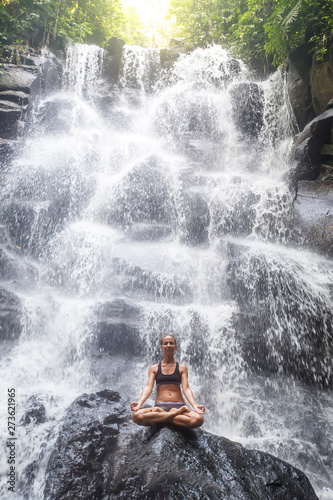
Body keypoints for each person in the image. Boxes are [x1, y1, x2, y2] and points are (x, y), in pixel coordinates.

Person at [131, 335, 205, 429]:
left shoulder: (182, 368)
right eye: (165, 343)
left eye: (171, 343)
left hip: (178, 406)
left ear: (175, 347)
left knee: (198, 419)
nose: (168, 345)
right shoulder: (154, 368)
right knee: (136, 416)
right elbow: (148, 387)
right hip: (160, 407)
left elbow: (186, 388)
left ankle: (162, 418)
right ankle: (174, 414)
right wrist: (139, 403)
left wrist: (195, 405)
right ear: (161, 348)